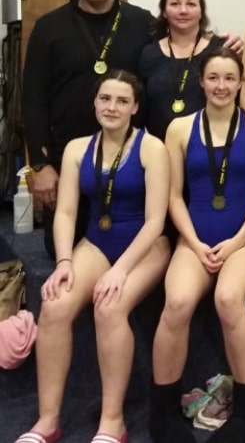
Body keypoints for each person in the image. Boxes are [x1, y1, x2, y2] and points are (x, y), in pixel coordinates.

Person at [21, 0, 242, 257]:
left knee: (132, 248)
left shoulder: (142, 23)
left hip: (131, 166)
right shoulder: (48, 28)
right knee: (62, 251)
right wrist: (40, 165)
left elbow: (181, 43)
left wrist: (223, 43)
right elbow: (32, 99)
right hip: (70, 161)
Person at [14, 71, 171, 443]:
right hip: (97, 242)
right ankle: (48, 421)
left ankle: (112, 421)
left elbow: (155, 221)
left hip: (145, 246)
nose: (112, 107)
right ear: (94, 103)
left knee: (109, 308)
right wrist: (64, 262)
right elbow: (66, 212)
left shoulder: (151, 148)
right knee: (55, 305)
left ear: (135, 107)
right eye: (105, 99)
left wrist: (121, 271)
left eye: (121, 101)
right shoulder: (77, 148)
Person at [148, 48, 245, 443]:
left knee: (229, 300)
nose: (221, 86)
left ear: (241, 83)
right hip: (194, 238)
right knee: (177, 303)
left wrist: (237, 240)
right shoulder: (179, 128)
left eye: (229, 78)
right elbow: (173, 196)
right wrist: (193, 242)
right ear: (201, 82)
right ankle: (163, 413)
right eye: (214, 78)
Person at [139, 0, 222, 141]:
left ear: (201, 11)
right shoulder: (149, 53)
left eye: (191, 4)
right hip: (159, 148)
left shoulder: (220, 50)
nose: (183, 10)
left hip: (210, 146)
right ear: (164, 11)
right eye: (175, 4)